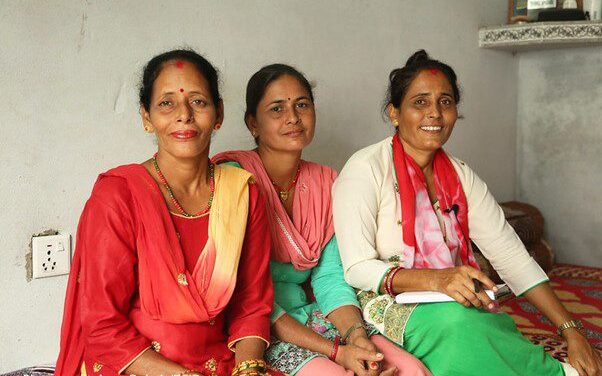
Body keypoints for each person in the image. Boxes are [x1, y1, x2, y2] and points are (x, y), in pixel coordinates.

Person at [332, 50, 602, 376]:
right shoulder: (365, 168)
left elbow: (511, 256)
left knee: (488, 324)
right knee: (462, 327)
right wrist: (437, 279)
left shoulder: (460, 175)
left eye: (445, 102)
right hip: (383, 302)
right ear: (395, 113)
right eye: (420, 102)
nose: (435, 113)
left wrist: (571, 330)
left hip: (451, 296)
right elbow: (358, 268)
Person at [55, 49, 276, 376]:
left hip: (220, 363)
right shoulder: (118, 195)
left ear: (219, 114)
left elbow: (251, 304)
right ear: (147, 118)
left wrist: (249, 366)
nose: (184, 115)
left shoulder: (243, 192)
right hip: (136, 365)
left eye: (198, 101)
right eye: (166, 103)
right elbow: (103, 325)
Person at [213, 64, 431, 376]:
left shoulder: (325, 182)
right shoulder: (234, 180)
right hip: (258, 326)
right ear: (253, 123)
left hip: (314, 315)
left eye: (302, 105)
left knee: (410, 370)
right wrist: (337, 353)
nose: (292, 117)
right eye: (277, 109)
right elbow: (245, 295)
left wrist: (355, 338)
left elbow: (329, 277)